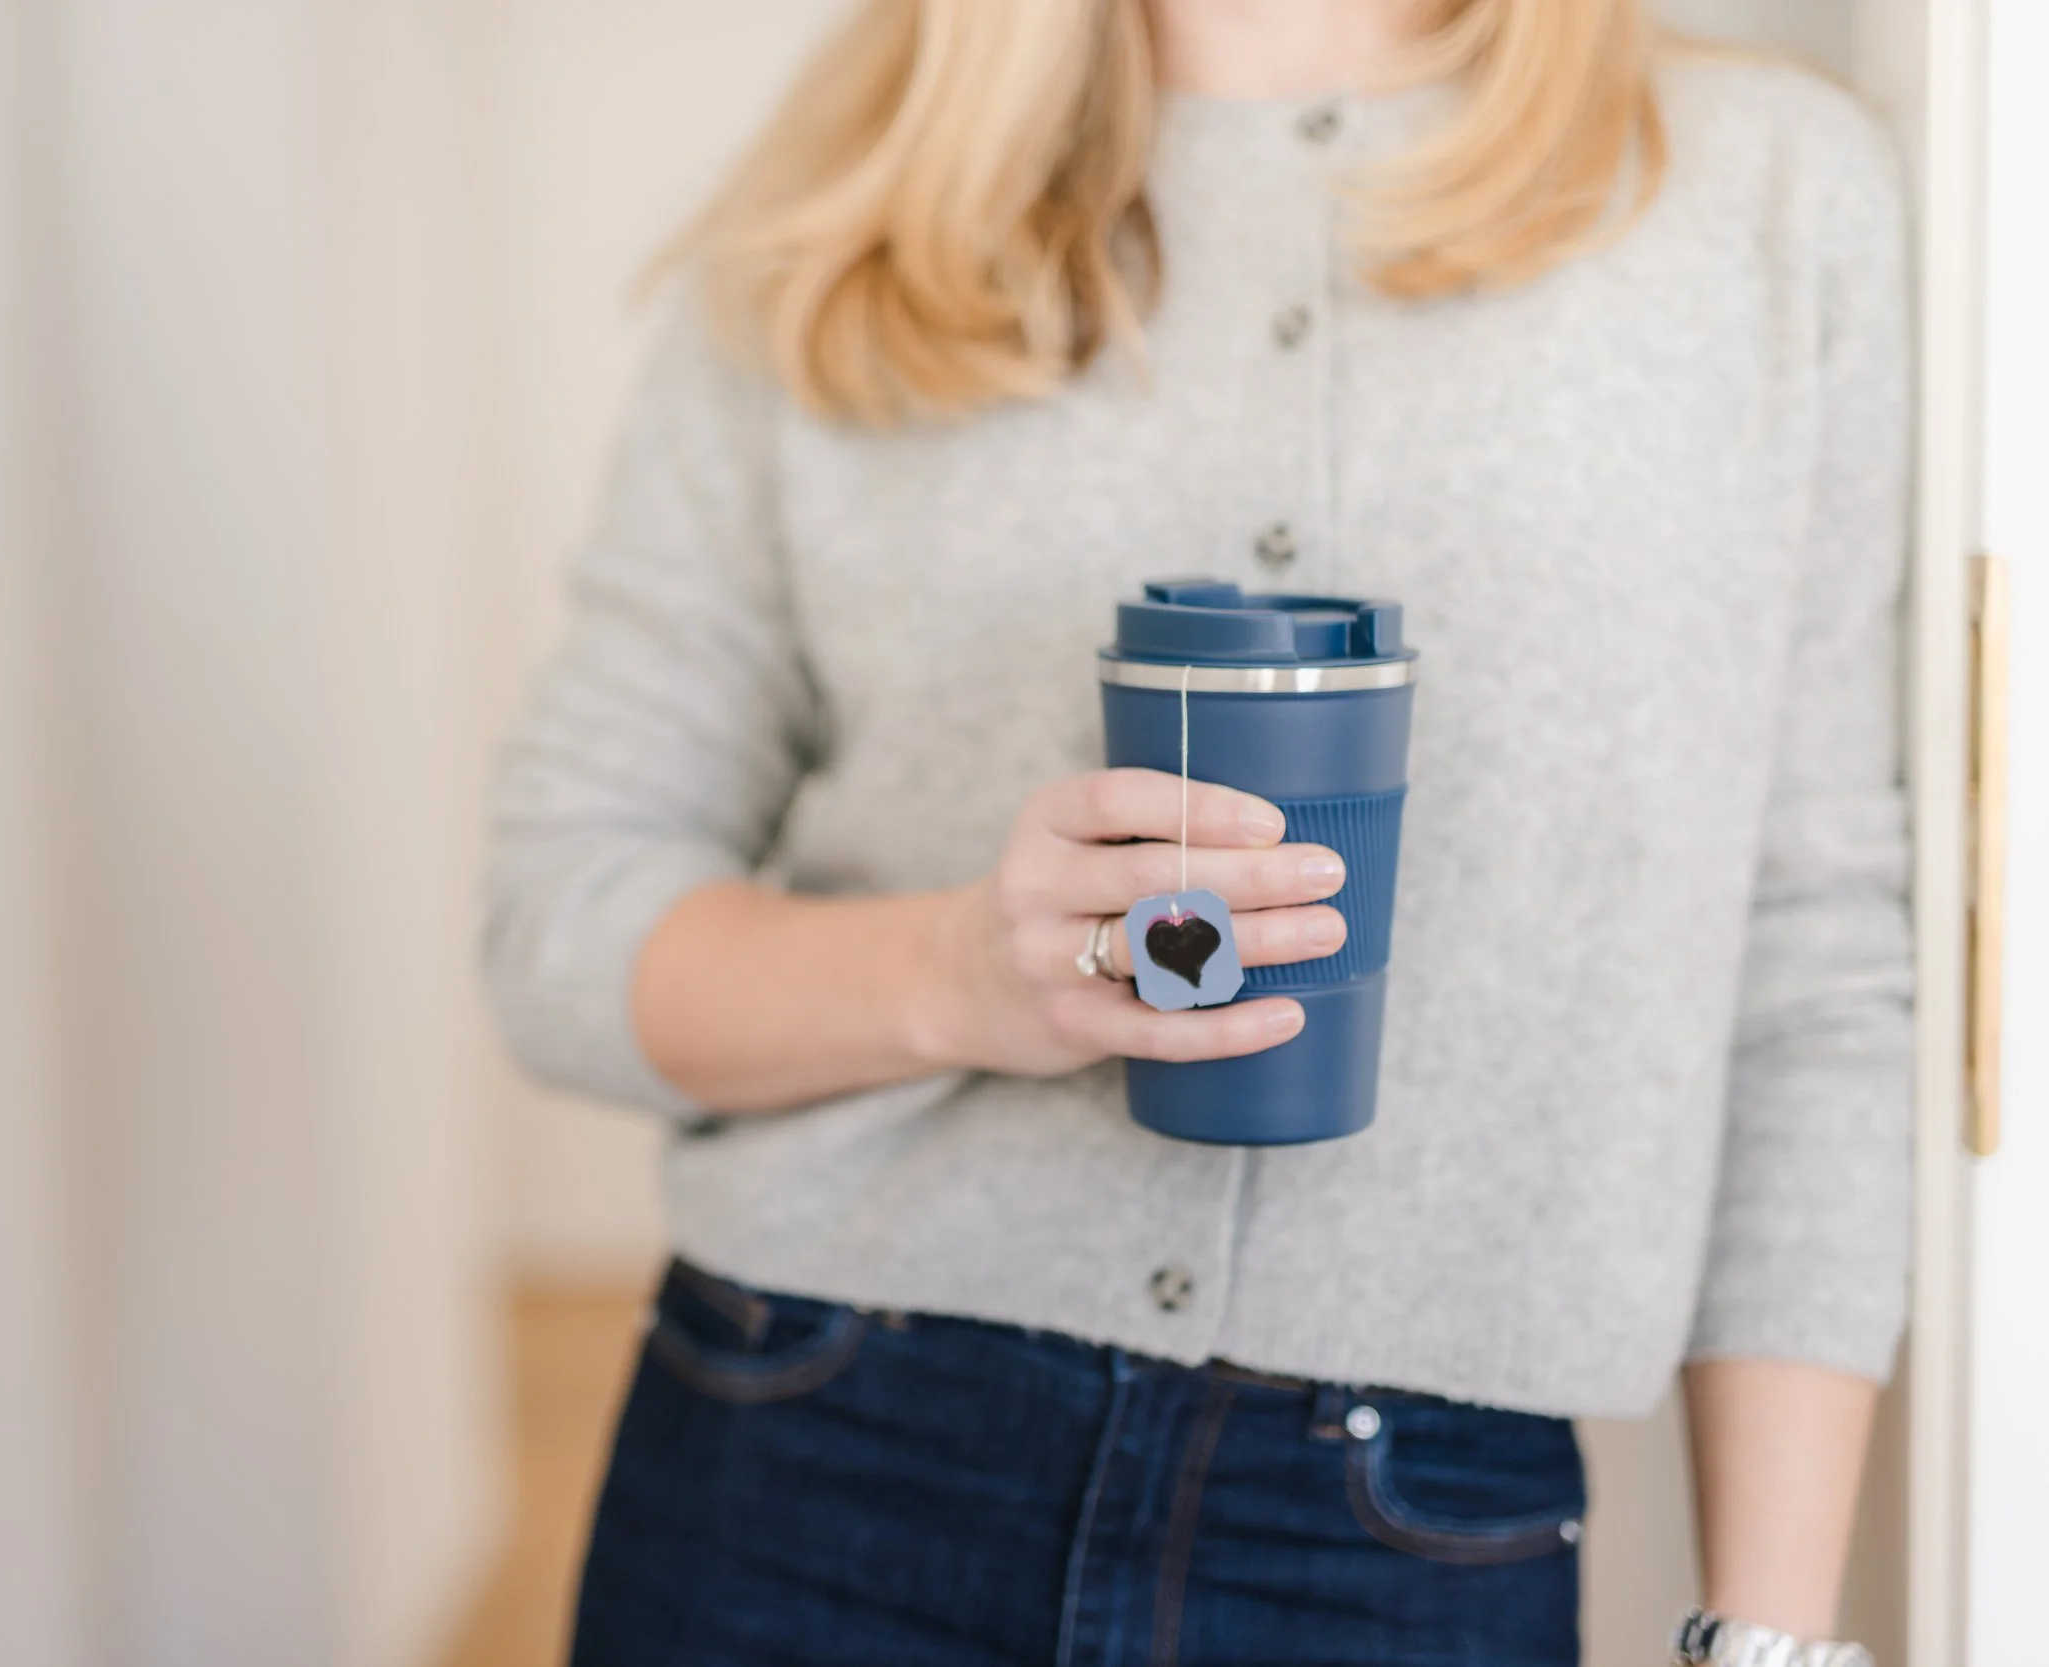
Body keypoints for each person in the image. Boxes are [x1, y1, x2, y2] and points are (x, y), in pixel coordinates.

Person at [484, 1, 1912, 1661]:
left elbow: (1813, 966)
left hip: (1410, 1541)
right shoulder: (857, 198)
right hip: (810, 1456)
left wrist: (1773, 1637)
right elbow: (559, 922)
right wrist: (958, 974)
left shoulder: (1770, 197)